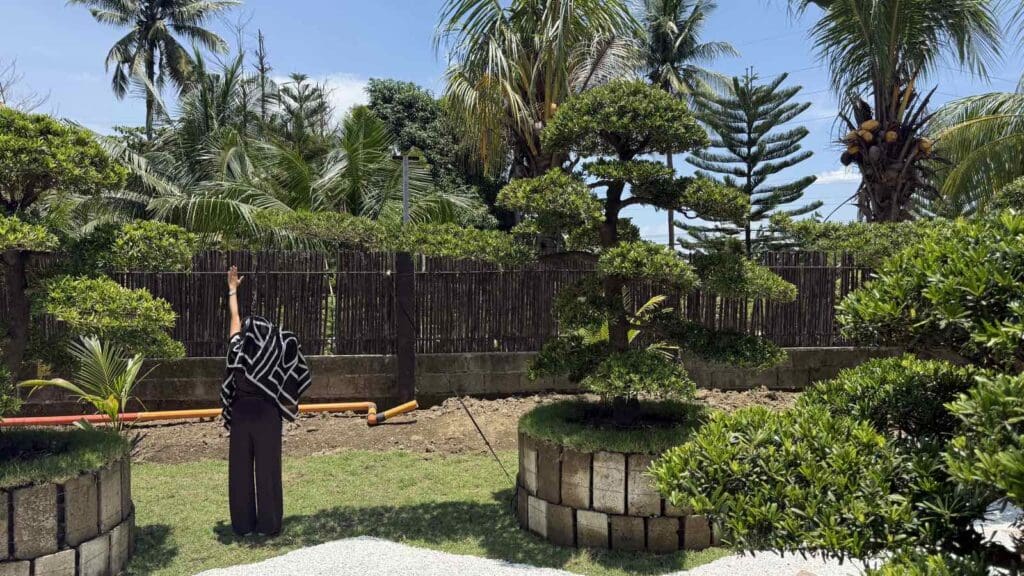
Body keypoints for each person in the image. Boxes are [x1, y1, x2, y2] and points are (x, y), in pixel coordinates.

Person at [222, 265, 311, 537]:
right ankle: (269, 525)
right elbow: (297, 367)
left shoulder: (238, 351)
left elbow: (235, 320)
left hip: (240, 413)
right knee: (269, 470)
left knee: (239, 471)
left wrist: (232, 290)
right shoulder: (277, 351)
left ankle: (243, 525)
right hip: (267, 414)